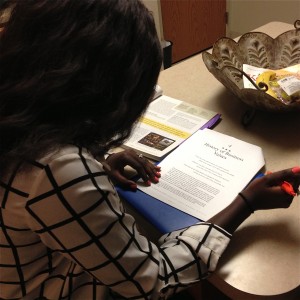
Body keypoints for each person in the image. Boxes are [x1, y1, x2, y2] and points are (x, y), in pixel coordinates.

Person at [0, 1, 299, 299]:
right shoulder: (56, 168)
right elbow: (154, 280)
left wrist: (98, 161)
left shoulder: (17, 109)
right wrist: (246, 202)